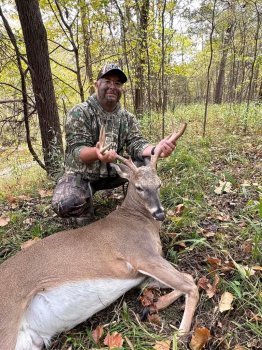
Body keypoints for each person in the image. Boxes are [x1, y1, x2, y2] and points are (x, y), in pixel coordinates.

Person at [52, 63, 176, 224]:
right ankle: (85, 207)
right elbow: (77, 150)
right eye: (107, 81)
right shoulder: (80, 112)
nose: (112, 86)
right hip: (83, 175)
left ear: (121, 89)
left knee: (144, 164)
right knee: (65, 203)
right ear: (97, 84)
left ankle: (140, 204)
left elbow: (136, 143)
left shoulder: (127, 117)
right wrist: (95, 154)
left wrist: (156, 149)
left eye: (117, 83)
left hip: (113, 172)